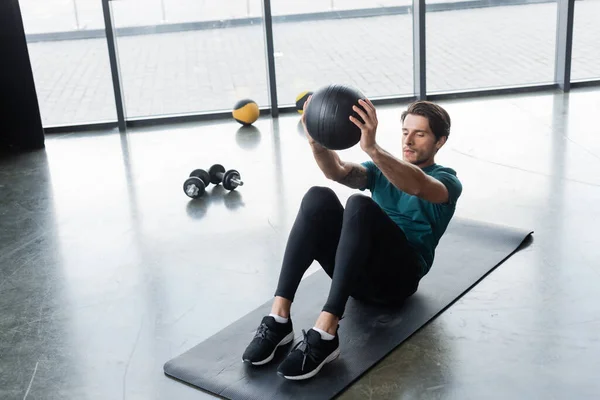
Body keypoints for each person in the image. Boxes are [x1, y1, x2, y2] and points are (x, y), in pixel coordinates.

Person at [242, 98, 462, 381]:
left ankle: (326, 332)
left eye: (420, 134)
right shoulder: (380, 169)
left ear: (439, 141)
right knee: (317, 197)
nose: (409, 141)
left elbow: (417, 185)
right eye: (405, 132)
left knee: (359, 206)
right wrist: (316, 142)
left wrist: (372, 147)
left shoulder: (448, 182)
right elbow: (337, 171)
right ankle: (279, 318)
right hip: (359, 276)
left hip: (397, 282)